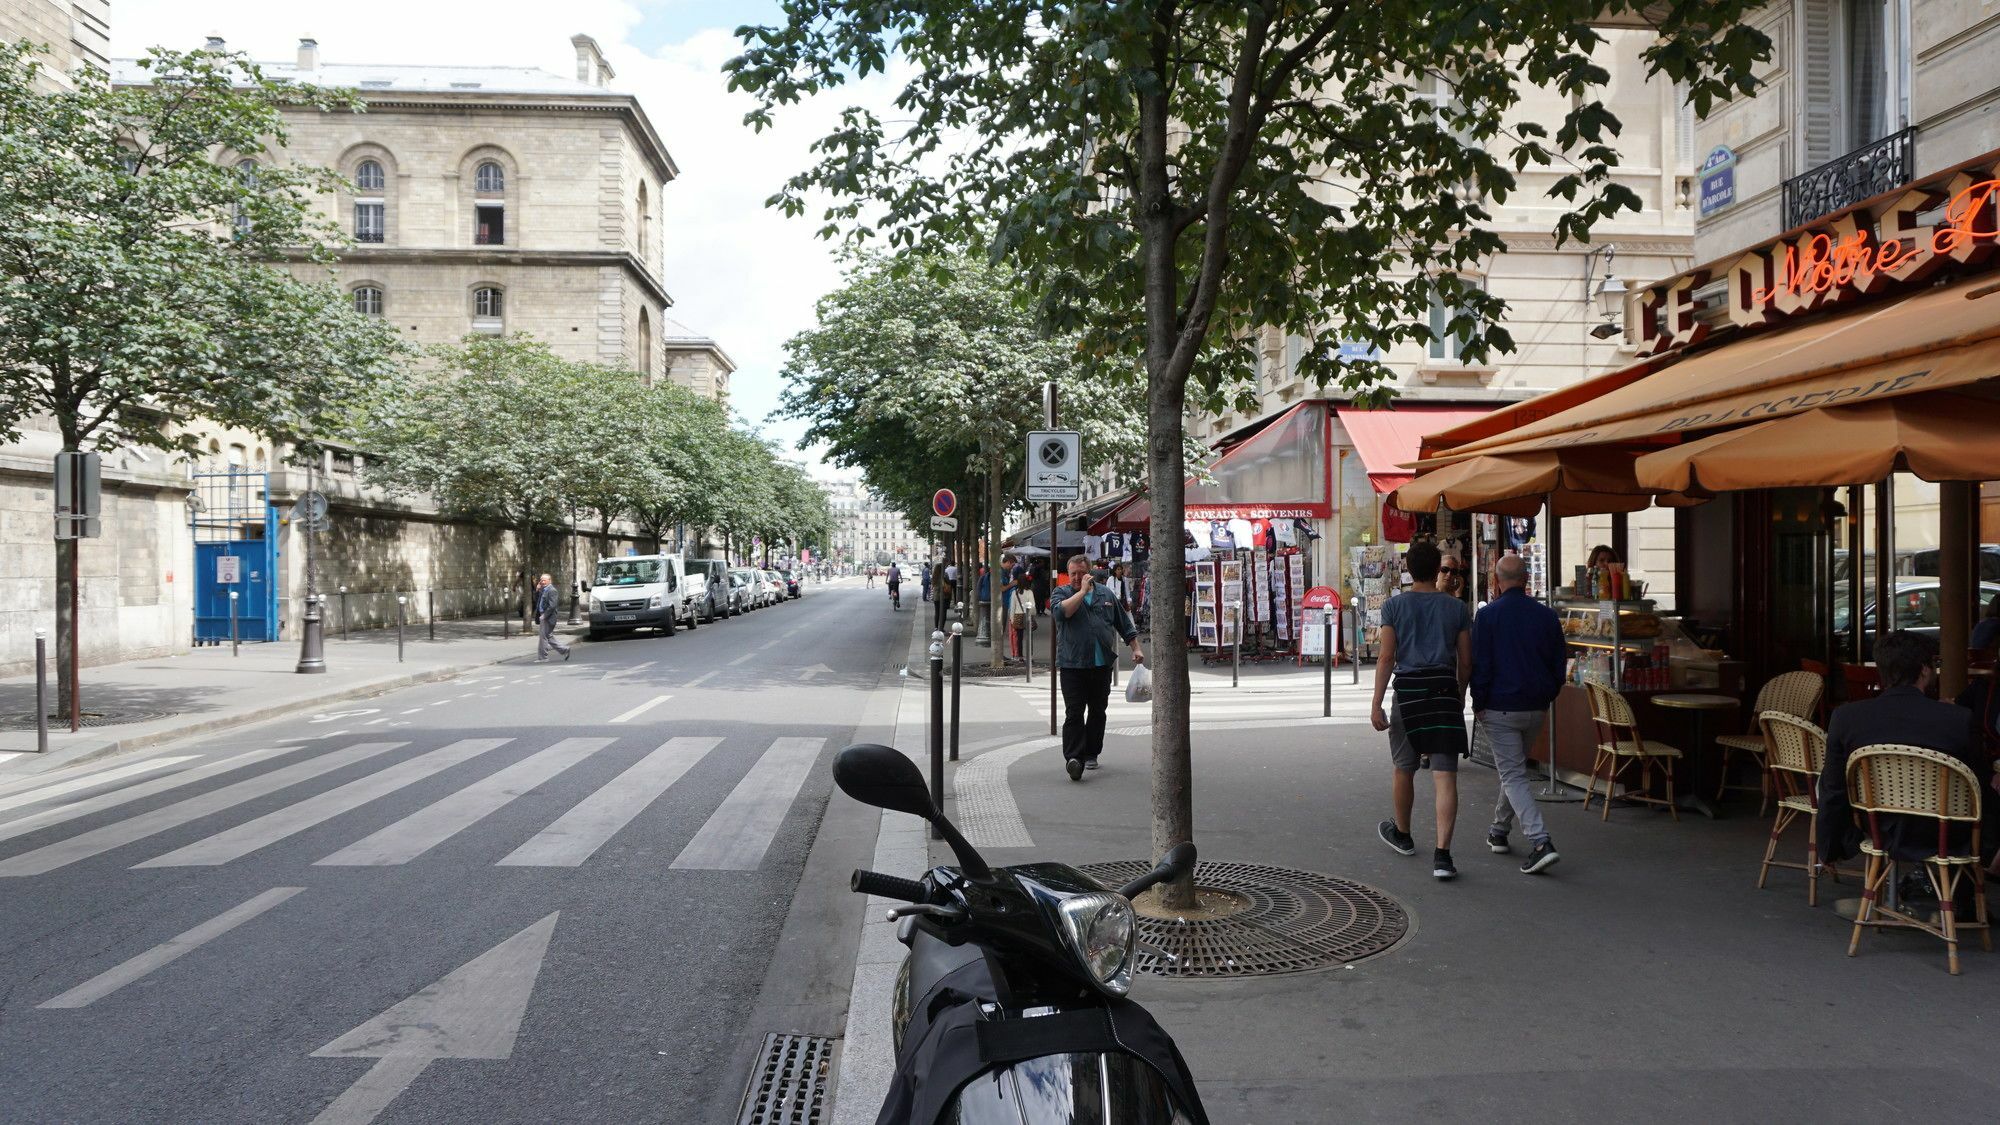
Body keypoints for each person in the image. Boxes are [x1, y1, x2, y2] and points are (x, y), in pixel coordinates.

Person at [1818, 630, 1993, 876]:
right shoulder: (1958, 719)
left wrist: (1828, 848)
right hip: (1945, 832)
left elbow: (1833, 788)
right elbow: (1979, 785)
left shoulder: (1846, 717)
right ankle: (1965, 890)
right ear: (1924, 670)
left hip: (1877, 826)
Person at [1371, 541, 1473, 880]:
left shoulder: (1394, 607)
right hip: (1444, 690)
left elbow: (1386, 657)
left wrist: (1376, 702)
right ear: (1438, 570)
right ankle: (1443, 856)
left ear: (1409, 569)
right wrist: (1459, 696)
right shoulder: (1456, 609)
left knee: (1404, 766)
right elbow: (1466, 661)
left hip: (1409, 693)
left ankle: (1403, 833)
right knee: (1445, 775)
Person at [1471, 554, 1565, 874]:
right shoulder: (1547, 617)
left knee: (1512, 775)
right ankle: (1499, 831)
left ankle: (1541, 842)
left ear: (1497, 581)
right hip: (1535, 706)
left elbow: (1480, 665)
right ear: (1526, 580)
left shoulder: (1487, 617)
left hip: (1499, 706)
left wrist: (1478, 701)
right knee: (1514, 774)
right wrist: (1548, 694)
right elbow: (1558, 665)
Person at [1052, 554, 1143, 780]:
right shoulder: (1062, 593)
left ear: (1089, 572)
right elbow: (1061, 613)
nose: (1076, 577)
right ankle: (1074, 758)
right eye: (1073, 573)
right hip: (1072, 664)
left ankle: (1091, 752)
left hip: (1101, 664)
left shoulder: (1106, 594)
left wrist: (1136, 648)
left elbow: (1124, 624)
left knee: (1097, 711)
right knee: (1074, 712)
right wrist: (1081, 592)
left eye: (1081, 573)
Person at [534, 573, 571, 662]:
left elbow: (552, 606)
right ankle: (564, 649)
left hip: (548, 617)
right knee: (548, 636)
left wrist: (544, 615)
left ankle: (543, 658)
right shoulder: (543, 590)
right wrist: (538, 590)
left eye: (544, 580)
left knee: (543, 637)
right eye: (541, 580)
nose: (542, 582)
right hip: (544, 615)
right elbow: (538, 601)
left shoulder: (552, 590)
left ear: (549, 581)